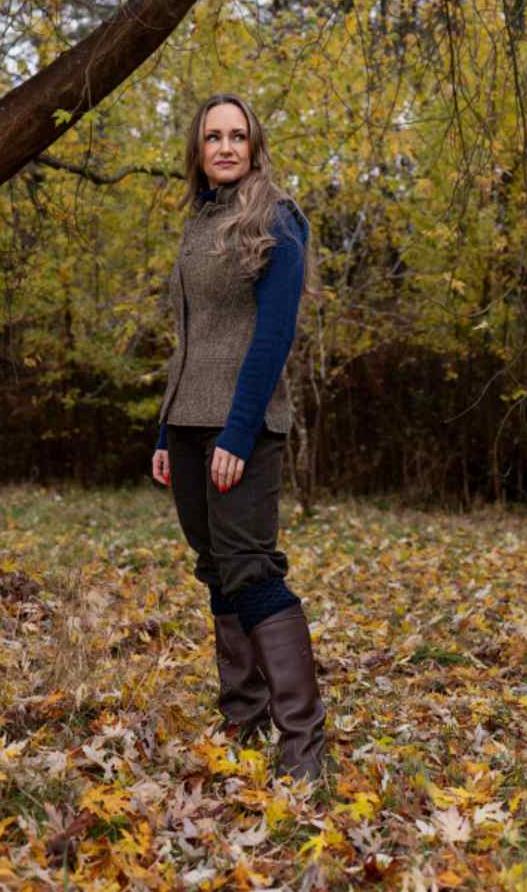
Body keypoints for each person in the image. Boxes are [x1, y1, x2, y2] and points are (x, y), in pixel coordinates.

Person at [151, 92, 326, 782]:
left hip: (241, 427)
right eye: (213, 137)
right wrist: (167, 429)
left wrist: (238, 430)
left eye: (237, 136)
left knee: (251, 569)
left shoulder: (276, 220)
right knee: (216, 568)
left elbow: (273, 335)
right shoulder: (199, 222)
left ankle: (303, 742)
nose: (225, 146)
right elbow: (188, 337)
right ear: (198, 150)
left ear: (255, 146)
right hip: (188, 423)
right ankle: (244, 715)